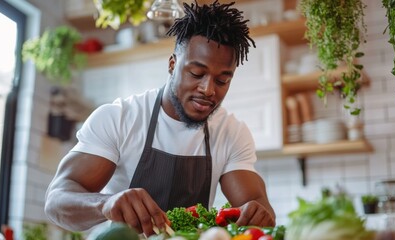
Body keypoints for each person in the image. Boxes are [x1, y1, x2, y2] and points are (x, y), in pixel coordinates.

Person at [45, 1, 276, 236]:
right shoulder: (118, 119)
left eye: (222, 80)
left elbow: (258, 206)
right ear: (172, 64)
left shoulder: (231, 133)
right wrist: (106, 204)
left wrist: (259, 214)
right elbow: (57, 201)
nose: (208, 89)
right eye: (197, 73)